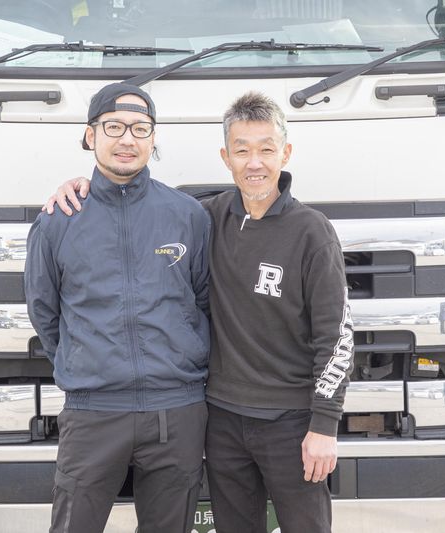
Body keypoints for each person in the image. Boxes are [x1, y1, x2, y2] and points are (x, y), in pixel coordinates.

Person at [44, 91, 354, 533]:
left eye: (266, 150)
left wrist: (324, 424)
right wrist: (84, 188)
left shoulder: (310, 232)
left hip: (291, 422)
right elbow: (133, 206)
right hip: (222, 420)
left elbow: (337, 338)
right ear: (226, 158)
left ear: (285, 154)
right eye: (242, 151)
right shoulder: (208, 218)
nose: (255, 163)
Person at [25, 82, 211, 533]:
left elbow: (205, 300)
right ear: (91, 135)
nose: (127, 139)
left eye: (140, 129)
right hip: (93, 412)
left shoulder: (187, 215)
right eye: (114, 127)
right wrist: (85, 362)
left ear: (153, 138)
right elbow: (44, 311)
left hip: (176, 410)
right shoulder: (58, 220)